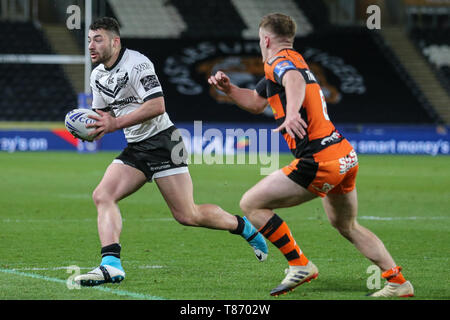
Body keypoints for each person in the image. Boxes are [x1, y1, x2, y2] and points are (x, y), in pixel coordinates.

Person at [208, 13, 414, 297]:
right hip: (343, 154)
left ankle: (299, 264)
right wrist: (229, 89)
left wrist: (292, 113)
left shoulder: (278, 62)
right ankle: (398, 281)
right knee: (346, 225)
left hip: (318, 160)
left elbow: (294, 81)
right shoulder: (294, 59)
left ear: (265, 39)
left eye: (259, 39)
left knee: (252, 204)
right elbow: (257, 103)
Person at [73, 17, 268, 287]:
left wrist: (114, 123)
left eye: (98, 39)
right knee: (103, 195)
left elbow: (157, 106)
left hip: (164, 141)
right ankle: (111, 264)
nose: (91, 45)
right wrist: (90, 127)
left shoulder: (137, 64)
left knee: (188, 215)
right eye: (89, 40)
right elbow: (103, 116)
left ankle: (243, 226)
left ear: (115, 42)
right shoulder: (97, 76)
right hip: (137, 146)